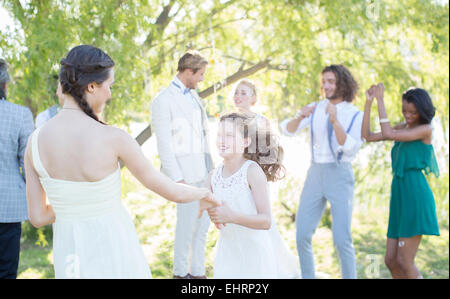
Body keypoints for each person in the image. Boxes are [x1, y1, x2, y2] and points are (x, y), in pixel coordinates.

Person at [24, 45, 219, 279]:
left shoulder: (34, 143)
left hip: (70, 258)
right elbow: (172, 191)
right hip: (115, 251)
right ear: (92, 86)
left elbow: (37, 217)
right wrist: (203, 194)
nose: (110, 94)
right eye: (109, 86)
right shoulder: (114, 138)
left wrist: (72, 204)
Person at [279, 64, 363, 279]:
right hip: (315, 173)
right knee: (302, 234)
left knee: (341, 239)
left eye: (331, 81)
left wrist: (334, 121)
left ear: (342, 84)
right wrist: (300, 115)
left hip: (340, 174)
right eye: (324, 81)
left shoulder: (355, 114)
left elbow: (352, 147)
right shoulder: (315, 107)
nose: (325, 86)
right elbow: (287, 130)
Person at [207, 112, 300, 278]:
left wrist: (231, 216)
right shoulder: (213, 176)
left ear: (245, 142)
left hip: (255, 258)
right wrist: (212, 213)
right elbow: (216, 215)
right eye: (220, 135)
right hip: (228, 256)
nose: (222, 140)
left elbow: (266, 221)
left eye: (229, 135)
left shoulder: (252, 172)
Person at [362, 83, 440, 279]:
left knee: (405, 261)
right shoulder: (402, 128)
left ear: (422, 111)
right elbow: (367, 136)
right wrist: (369, 102)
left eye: (412, 112)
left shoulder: (425, 130)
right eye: (405, 111)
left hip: (415, 194)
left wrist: (381, 100)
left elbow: (388, 133)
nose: (408, 115)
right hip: (399, 193)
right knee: (391, 260)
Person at [151, 50, 215, 279]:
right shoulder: (162, 101)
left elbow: (203, 134)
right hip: (184, 176)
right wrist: (178, 180)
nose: (202, 79)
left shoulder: (195, 97)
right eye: (200, 74)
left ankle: (198, 274)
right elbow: (164, 146)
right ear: (188, 72)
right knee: (186, 229)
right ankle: (180, 274)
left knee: (202, 229)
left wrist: (212, 169)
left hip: (205, 171)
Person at [0, 58, 35, 279]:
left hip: (9, 207)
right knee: (6, 271)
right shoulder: (20, 114)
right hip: (9, 205)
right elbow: (28, 164)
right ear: (4, 84)